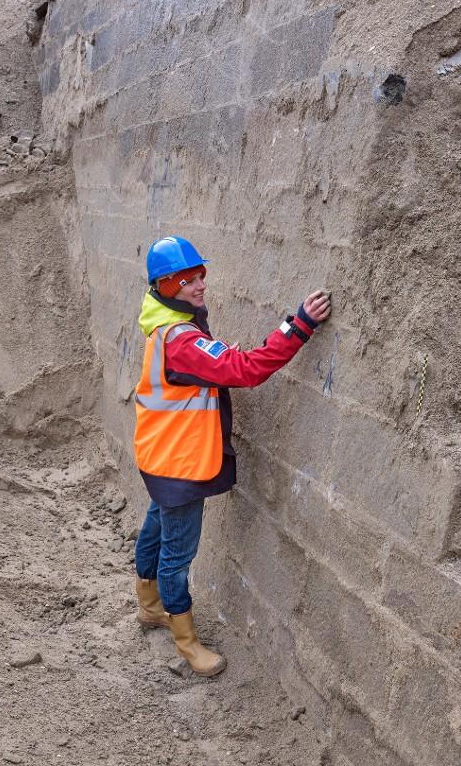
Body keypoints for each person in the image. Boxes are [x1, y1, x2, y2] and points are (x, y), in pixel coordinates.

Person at [133, 235, 331, 676]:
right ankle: (186, 641)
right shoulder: (182, 340)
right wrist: (296, 326)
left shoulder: (160, 324)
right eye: (188, 279)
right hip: (180, 464)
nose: (200, 284)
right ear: (166, 286)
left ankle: (148, 607)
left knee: (153, 530)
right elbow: (244, 369)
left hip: (158, 453)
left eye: (201, 274)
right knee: (176, 557)